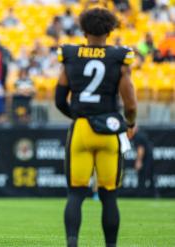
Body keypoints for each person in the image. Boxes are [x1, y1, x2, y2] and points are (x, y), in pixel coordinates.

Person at [55, 8, 137, 247]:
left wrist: (80, 117)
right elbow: (130, 103)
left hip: (81, 130)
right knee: (109, 195)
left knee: (76, 193)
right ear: (111, 30)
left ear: (83, 29)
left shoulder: (70, 54)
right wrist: (130, 123)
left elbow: (60, 99)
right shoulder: (120, 57)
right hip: (109, 130)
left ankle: (72, 243)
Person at [131, 127, 155, 197]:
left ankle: (141, 195)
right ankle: (154, 194)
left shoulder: (138, 136)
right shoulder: (141, 134)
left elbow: (140, 149)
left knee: (142, 177)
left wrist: (139, 161)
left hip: (146, 159)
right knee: (150, 177)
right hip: (149, 157)